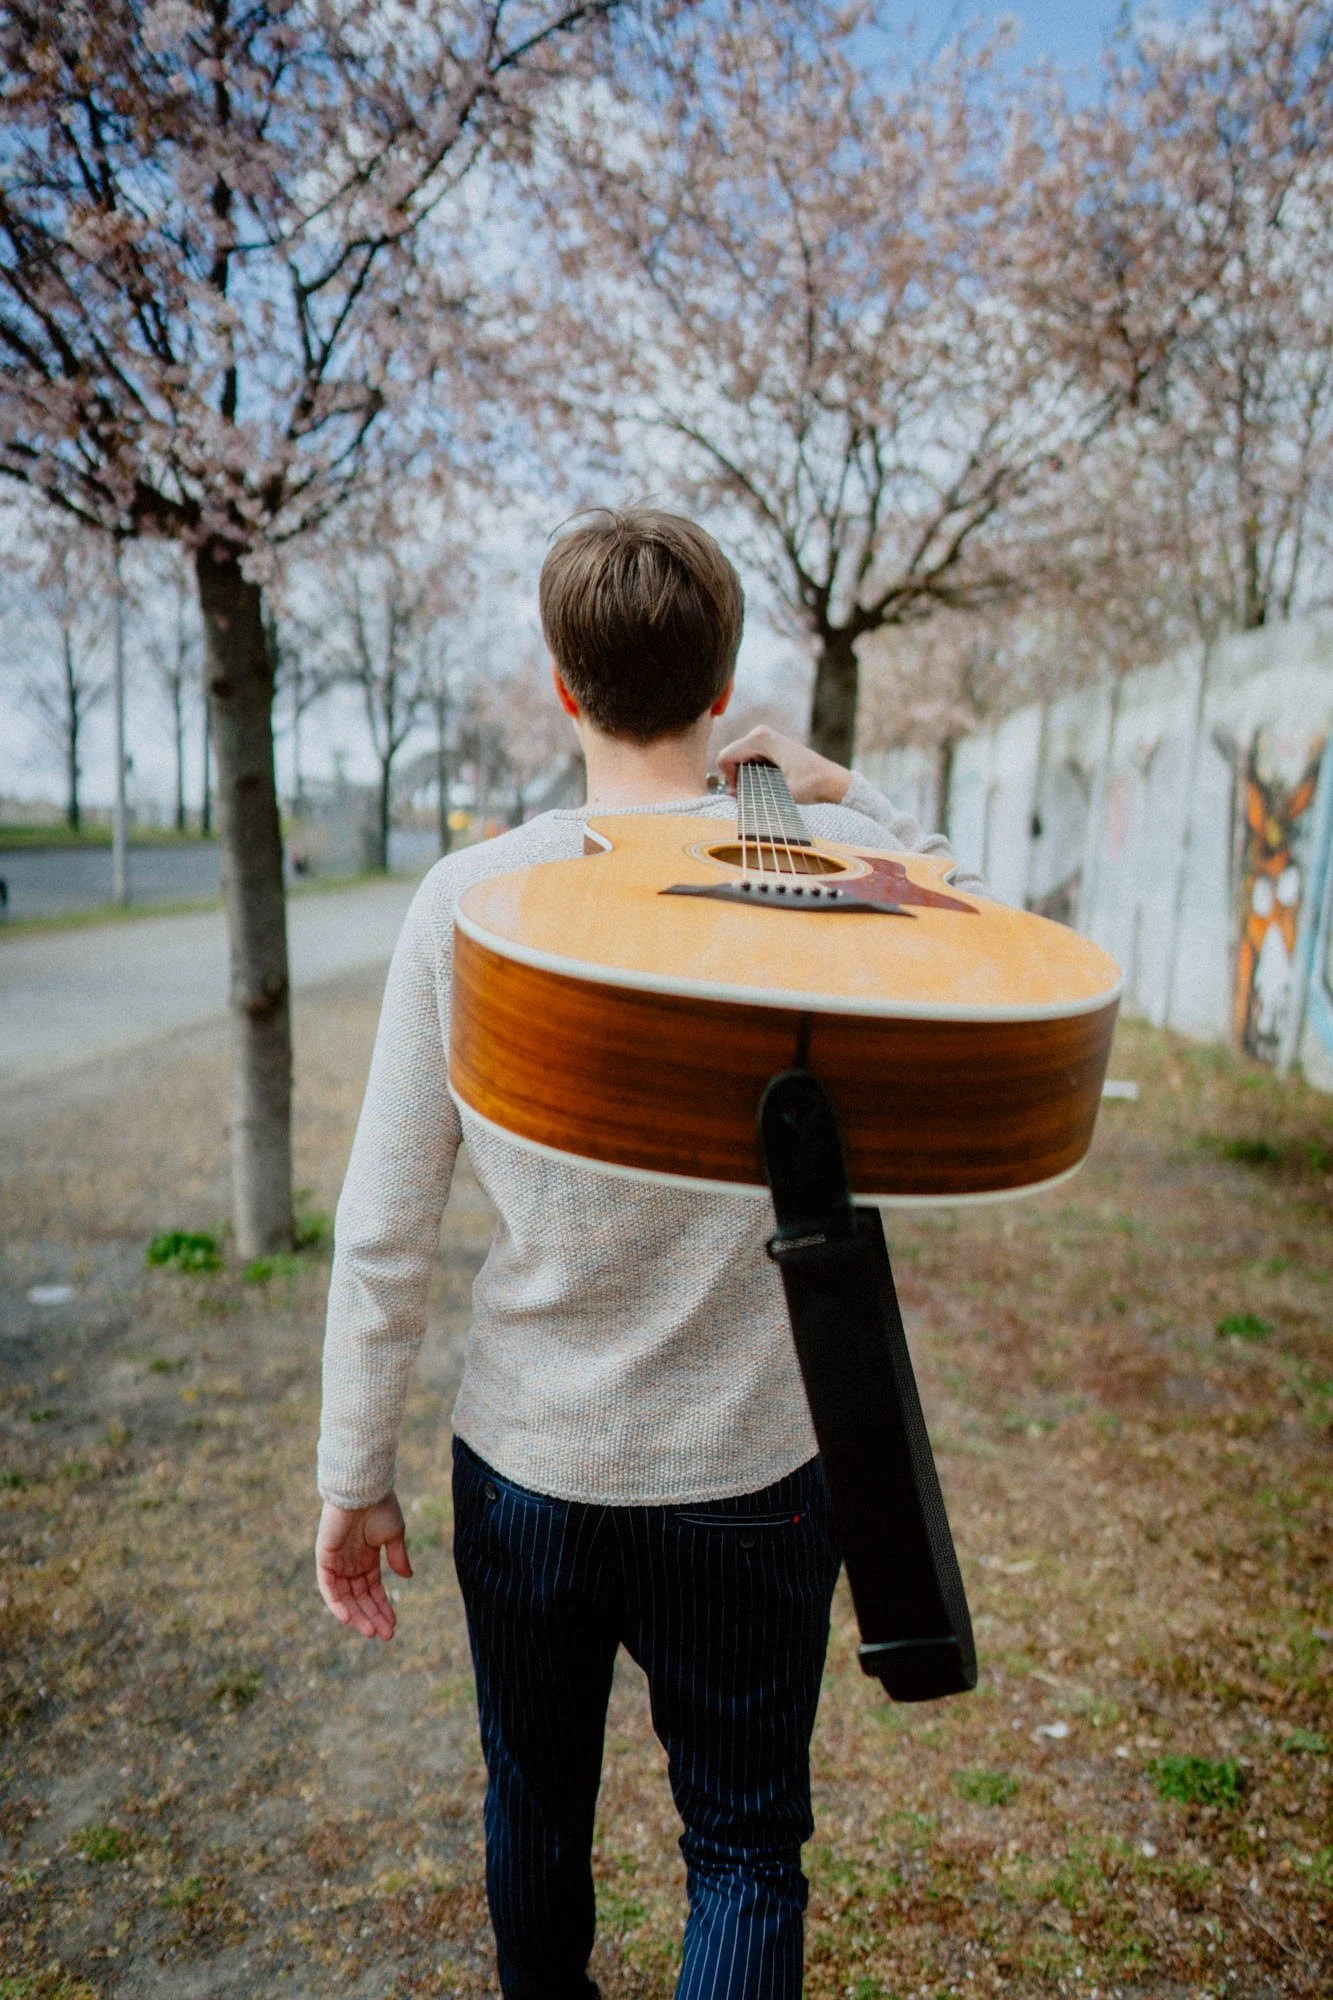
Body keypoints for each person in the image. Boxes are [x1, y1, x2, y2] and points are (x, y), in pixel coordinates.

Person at [315, 508, 982, 1998]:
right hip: (754, 1466)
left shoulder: (476, 901)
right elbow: (973, 915)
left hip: (528, 1469)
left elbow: (385, 1225)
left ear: (562, 684)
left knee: (534, 1808)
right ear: (722, 675)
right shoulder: (821, 877)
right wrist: (841, 792)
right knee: (745, 1847)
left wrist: (352, 1471)